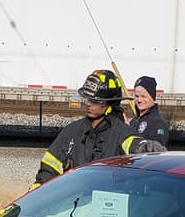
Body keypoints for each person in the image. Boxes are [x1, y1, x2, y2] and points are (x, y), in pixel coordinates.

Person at [34, 69, 165, 188]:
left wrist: (145, 147)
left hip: (107, 207)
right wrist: (37, 190)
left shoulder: (120, 131)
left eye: (96, 101)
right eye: (88, 99)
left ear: (110, 103)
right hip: (75, 203)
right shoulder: (72, 131)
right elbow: (49, 167)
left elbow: (132, 142)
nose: (89, 104)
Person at [130, 76, 170, 147]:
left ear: (152, 97)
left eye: (143, 96)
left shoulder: (158, 123)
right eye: (137, 96)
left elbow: (156, 150)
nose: (139, 100)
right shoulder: (133, 122)